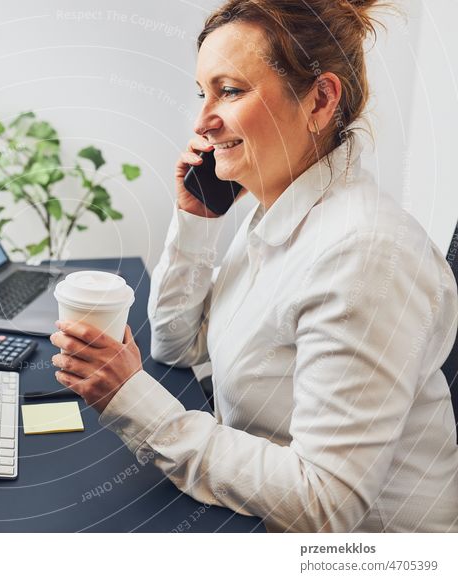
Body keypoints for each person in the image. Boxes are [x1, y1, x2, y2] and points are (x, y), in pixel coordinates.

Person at [50, 0, 458, 532]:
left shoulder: (364, 256)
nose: (202, 121)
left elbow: (325, 505)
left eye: (231, 91)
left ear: (319, 100)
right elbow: (176, 344)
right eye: (204, 93)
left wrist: (134, 402)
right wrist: (196, 219)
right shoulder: (278, 212)